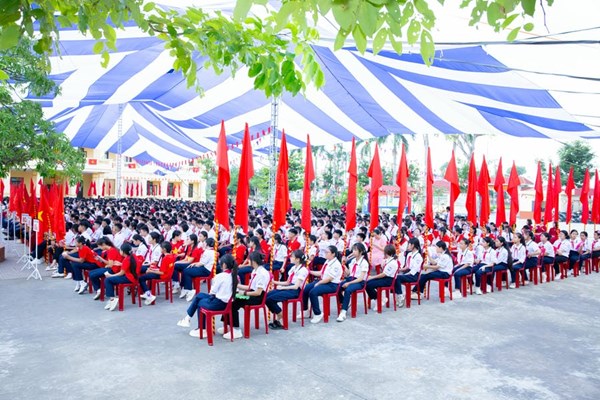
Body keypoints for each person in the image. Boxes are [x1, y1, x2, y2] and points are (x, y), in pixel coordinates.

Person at [176, 254, 238, 338]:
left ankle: (202, 328)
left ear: (224, 265)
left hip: (218, 303)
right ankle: (187, 318)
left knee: (199, 302)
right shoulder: (234, 276)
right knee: (200, 295)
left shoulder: (221, 276)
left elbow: (213, 291)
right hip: (227, 303)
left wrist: (214, 282)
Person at [229, 251, 271, 339]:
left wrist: (243, 293)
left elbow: (258, 292)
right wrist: (237, 285)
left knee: (233, 301)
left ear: (254, 261)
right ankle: (229, 324)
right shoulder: (255, 270)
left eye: (249, 260)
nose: (248, 261)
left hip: (257, 297)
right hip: (252, 294)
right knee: (230, 298)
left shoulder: (262, 274)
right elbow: (250, 286)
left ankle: (235, 329)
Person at [265, 250, 309, 330]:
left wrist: (282, 288)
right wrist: (275, 282)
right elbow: (288, 282)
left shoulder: (303, 270)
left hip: (295, 291)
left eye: (292, 257)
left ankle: (280, 316)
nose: (290, 258)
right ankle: (279, 315)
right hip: (289, 287)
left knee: (270, 299)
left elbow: (296, 286)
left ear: (298, 259)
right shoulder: (293, 268)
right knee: (267, 296)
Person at [301, 245, 343, 324]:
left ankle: (318, 313)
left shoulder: (336, 264)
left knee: (313, 292)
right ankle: (305, 310)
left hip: (332, 285)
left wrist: (319, 283)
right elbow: (321, 273)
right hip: (324, 281)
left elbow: (329, 279)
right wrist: (309, 271)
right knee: (306, 288)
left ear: (333, 254)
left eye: (327, 252)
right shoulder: (327, 261)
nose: (325, 254)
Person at [336, 243, 369, 322]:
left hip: (359, 282)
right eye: (353, 250)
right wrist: (343, 265)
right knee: (337, 286)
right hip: (351, 279)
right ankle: (344, 302)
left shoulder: (364, 263)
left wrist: (348, 283)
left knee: (348, 290)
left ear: (361, 252)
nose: (353, 252)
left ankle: (343, 312)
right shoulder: (353, 261)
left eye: (355, 250)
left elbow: (360, 278)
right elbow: (348, 273)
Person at [103, 243, 141, 311]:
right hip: (133, 277)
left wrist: (110, 275)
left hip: (128, 278)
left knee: (108, 280)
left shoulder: (126, 259)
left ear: (123, 252)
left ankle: (112, 299)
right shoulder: (133, 256)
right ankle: (112, 299)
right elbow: (130, 266)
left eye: (120, 250)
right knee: (109, 279)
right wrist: (121, 264)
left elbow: (121, 273)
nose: (119, 251)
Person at [394, 238, 422, 307]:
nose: (408, 246)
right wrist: (399, 270)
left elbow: (414, 271)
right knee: (395, 276)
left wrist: (404, 275)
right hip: (409, 274)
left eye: (409, 244)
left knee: (398, 278)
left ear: (413, 245)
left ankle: (400, 296)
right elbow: (407, 267)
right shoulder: (409, 254)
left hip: (414, 275)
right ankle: (399, 295)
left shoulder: (418, 257)